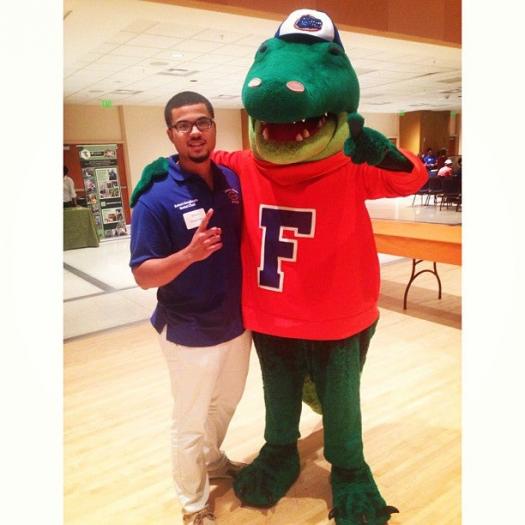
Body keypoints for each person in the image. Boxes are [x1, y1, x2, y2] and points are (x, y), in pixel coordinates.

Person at [129, 91, 251, 525]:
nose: (194, 131)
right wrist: (188, 255)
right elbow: (143, 274)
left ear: (214, 127)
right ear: (171, 134)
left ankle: (213, 460)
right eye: (183, 125)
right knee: (190, 421)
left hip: (235, 323)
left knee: (226, 402)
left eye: (202, 122)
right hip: (188, 330)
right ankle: (194, 503)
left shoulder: (231, 180)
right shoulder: (155, 196)